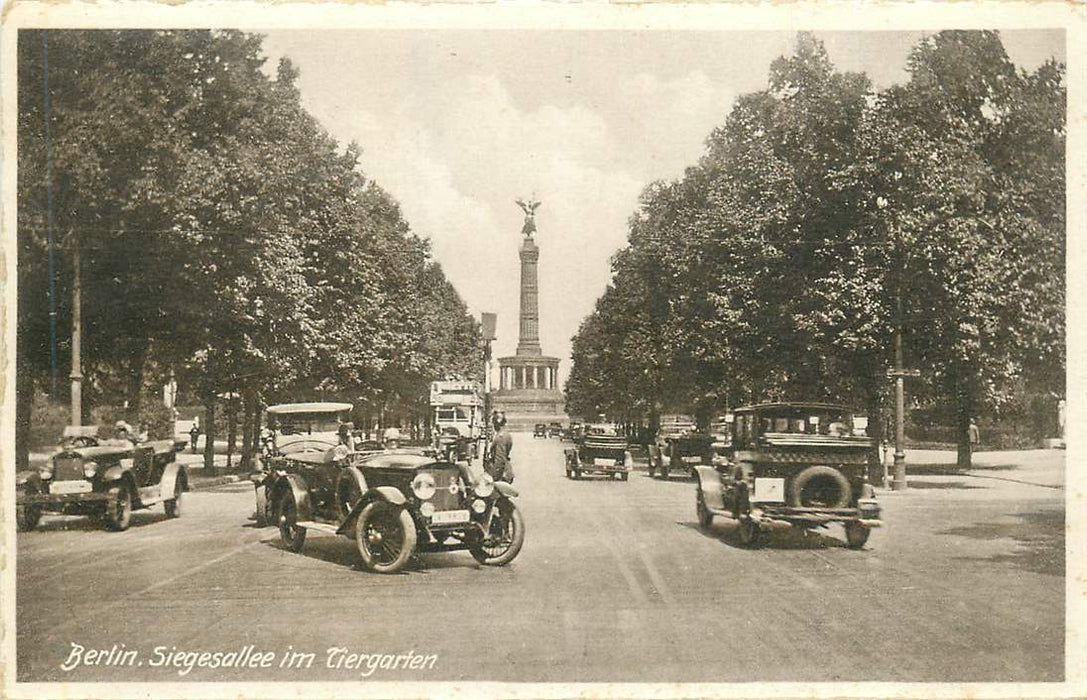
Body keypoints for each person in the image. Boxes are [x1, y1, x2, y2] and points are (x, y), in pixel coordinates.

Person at [488, 412, 514, 483]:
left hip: (500, 475)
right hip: (504, 471)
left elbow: (500, 459)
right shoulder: (506, 434)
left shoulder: (500, 437)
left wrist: (495, 477)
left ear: (496, 424)